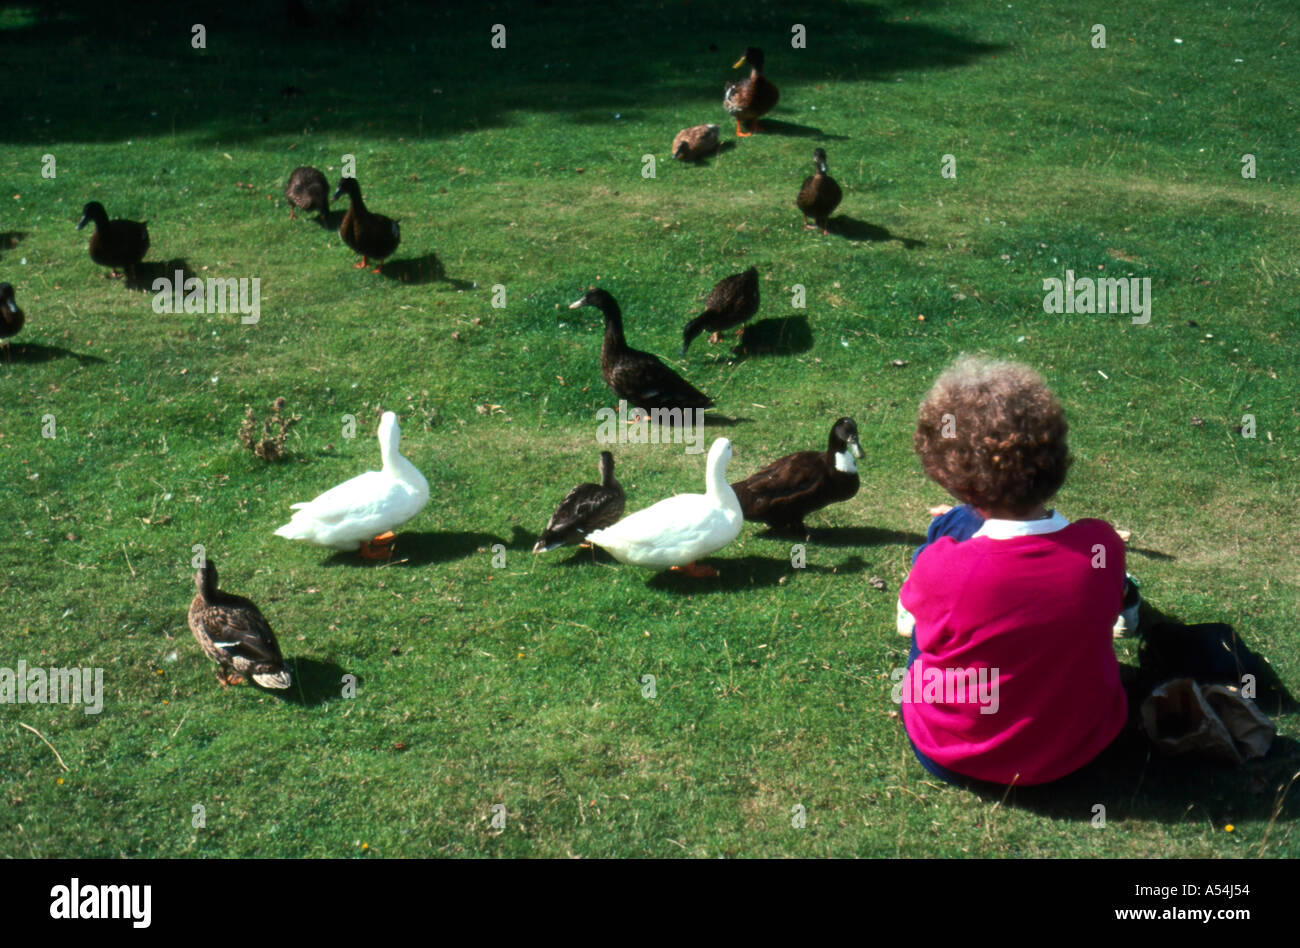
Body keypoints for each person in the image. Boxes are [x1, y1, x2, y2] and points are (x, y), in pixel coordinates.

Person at [896, 356, 1129, 787]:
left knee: (939, 563)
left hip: (956, 755)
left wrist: (944, 551)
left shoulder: (943, 569)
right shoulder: (1102, 546)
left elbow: (916, 622)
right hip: (1079, 753)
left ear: (955, 481)